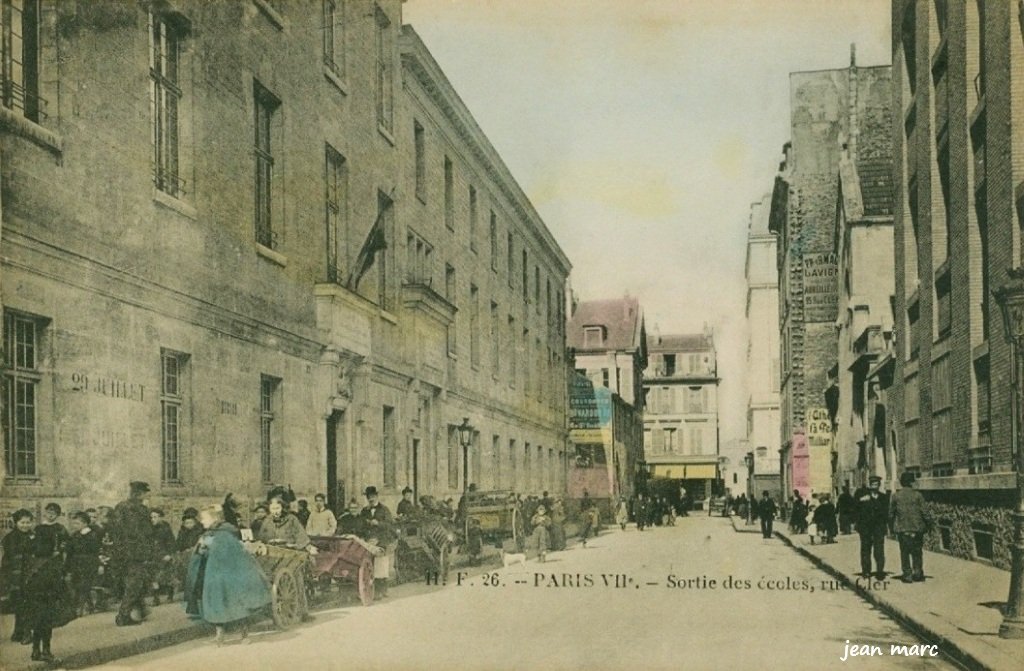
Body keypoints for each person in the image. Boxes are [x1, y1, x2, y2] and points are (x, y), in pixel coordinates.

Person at [185, 504, 272, 645]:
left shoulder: (226, 533)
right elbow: (203, 554)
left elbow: (233, 554)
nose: (202, 521)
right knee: (216, 604)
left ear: (214, 519)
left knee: (237, 604)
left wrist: (211, 547)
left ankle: (244, 634)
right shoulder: (208, 534)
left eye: (205, 518)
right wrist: (202, 549)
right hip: (214, 576)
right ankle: (219, 634)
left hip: (229, 576)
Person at [109, 480, 153, 626]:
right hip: (136, 553)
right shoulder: (141, 509)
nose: (146, 496)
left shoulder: (120, 507)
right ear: (139, 493)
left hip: (122, 552)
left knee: (134, 581)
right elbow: (146, 532)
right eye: (145, 493)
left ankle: (141, 609)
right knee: (134, 583)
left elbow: (115, 530)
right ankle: (123, 615)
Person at [2, 509, 37, 645]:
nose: (25, 525)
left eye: (28, 522)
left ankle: (24, 632)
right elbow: (9, 558)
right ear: (16, 523)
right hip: (16, 576)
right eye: (22, 522)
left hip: (29, 575)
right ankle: (20, 632)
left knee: (27, 604)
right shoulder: (11, 538)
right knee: (20, 604)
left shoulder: (33, 536)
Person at [889, 471, 929, 583]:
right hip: (917, 529)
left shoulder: (895, 496)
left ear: (902, 483)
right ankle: (917, 572)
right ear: (911, 483)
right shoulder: (918, 495)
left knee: (905, 552)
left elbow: (891, 514)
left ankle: (907, 574)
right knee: (917, 551)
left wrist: (891, 528)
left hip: (903, 529)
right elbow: (925, 512)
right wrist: (928, 525)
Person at [360, 486, 396, 598]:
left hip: (381, 539)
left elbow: (390, 525)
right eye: (368, 497)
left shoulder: (384, 510)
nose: (371, 499)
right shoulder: (364, 511)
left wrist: (378, 523)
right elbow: (361, 525)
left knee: (381, 565)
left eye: (372, 496)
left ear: (376, 496)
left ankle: (382, 590)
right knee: (370, 564)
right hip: (369, 541)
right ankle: (373, 589)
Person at [65, 512, 101, 616]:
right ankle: (89, 605)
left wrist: (98, 565)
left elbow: (96, 552)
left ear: (85, 524)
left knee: (84, 585)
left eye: (77, 523)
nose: (74, 526)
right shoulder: (74, 536)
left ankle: (79, 608)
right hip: (76, 564)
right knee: (76, 585)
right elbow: (70, 553)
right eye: (73, 523)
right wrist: (67, 567)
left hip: (88, 564)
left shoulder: (92, 536)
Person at [857, 475, 889, 580]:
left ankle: (880, 572)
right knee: (865, 549)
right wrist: (861, 501)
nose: (874, 486)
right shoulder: (862, 496)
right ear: (869, 485)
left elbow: (886, 513)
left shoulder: (884, 497)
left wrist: (886, 527)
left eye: (876, 484)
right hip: (865, 529)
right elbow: (853, 509)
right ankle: (866, 571)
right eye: (872, 484)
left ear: (879, 486)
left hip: (878, 529)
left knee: (879, 550)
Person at [149, 508, 176, 605]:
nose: (152, 519)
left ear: (160, 518)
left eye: (155, 517)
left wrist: (169, 554)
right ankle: (156, 598)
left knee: (167, 576)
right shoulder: (149, 529)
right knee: (154, 577)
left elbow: (171, 542)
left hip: (165, 555)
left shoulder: (165, 528)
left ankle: (170, 595)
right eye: (151, 517)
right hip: (154, 555)